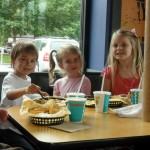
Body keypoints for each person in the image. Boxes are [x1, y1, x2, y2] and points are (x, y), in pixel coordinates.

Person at [1, 41, 48, 107]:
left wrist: (40, 93)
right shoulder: (9, 78)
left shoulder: (28, 78)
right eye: (24, 59)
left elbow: (26, 95)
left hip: (21, 112)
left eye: (32, 61)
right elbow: (9, 95)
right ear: (13, 61)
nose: (29, 63)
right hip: (9, 114)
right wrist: (26, 90)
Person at [101, 28, 143, 96]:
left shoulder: (143, 71)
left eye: (124, 45)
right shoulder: (109, 72)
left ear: (133, 47)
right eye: (115, 45)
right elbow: (103, 99)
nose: (119, 48)